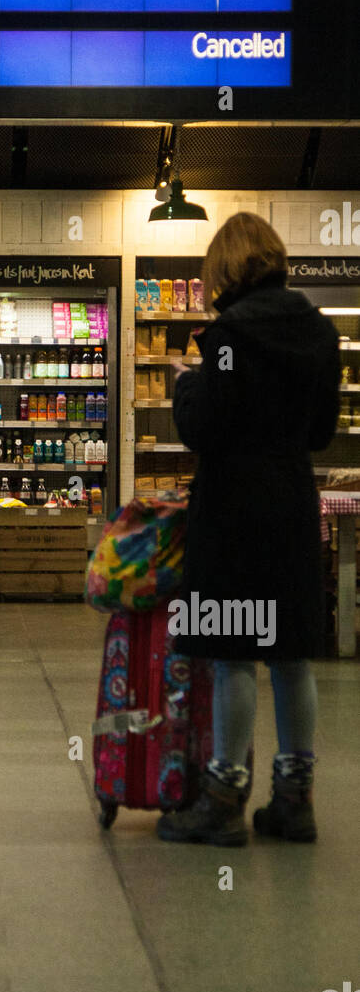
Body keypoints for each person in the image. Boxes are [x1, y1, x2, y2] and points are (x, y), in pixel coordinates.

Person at [157, 213, 339, 846]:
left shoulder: (229, 337)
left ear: (225, 268)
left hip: (234, 511)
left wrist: (187, 388)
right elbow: (320, 432)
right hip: (291, 505)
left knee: (233, 654)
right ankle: (295, 800)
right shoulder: (319, 333)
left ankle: (223, 800)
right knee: (291, 654)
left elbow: (206, 427)